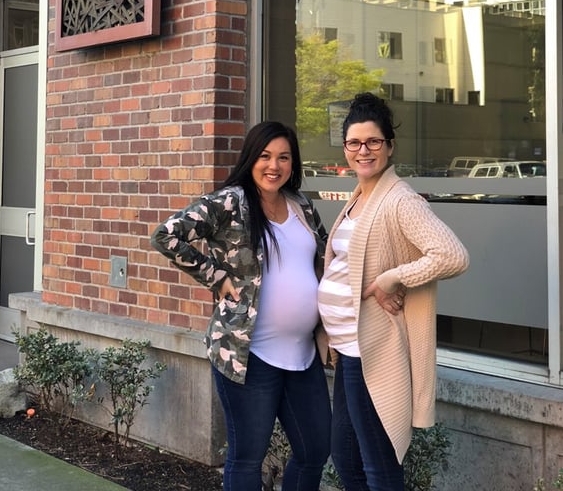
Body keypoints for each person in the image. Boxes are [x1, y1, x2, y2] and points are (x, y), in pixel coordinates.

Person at [150, 121, 331, 491]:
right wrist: (215, 277)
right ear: (251, 158)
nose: (274, 166)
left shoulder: (302, 205)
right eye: (265, 156)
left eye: (283, 157)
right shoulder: (231, 202)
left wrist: (325, 325)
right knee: (247, 457)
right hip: (248, 354)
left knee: (315, 449)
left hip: (302, 354)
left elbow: (328, 261)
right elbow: (166, 235)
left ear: (293, 163)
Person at [318, 93, 469, 491]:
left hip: (375, 353)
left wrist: (393, 278)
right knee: (347, 459)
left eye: (373, 142)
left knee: (378, 468)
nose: (363, 150)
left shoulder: (399, 200)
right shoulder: (359, 197)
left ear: (389, 147)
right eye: (354, 142)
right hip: (349, 350)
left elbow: (452, 255)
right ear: (345, 147)